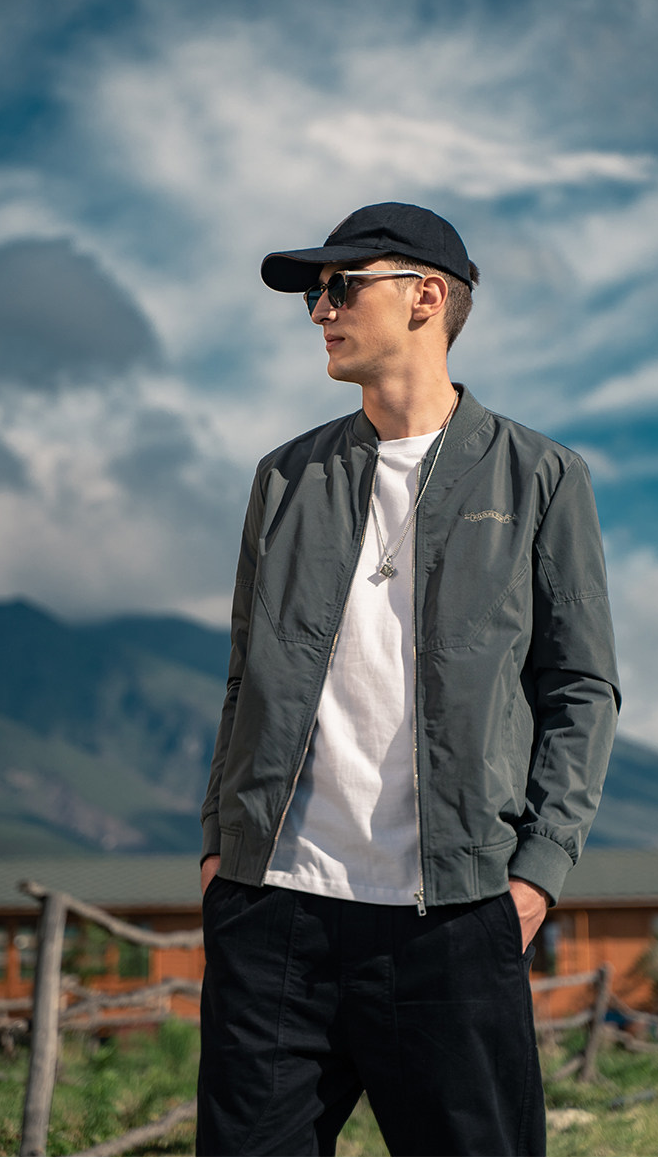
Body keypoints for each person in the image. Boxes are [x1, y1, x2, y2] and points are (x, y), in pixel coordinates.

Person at [196, 202, 620, 1157]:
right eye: (315, 293)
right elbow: (244, 677)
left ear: (426, 296)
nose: (321, 310)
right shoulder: (284, 478)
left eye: (342, 286)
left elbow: (581, 689)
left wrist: (537, 874)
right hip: (274, 914)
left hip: (457, 919)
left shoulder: (541, 476)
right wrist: (224, 851)